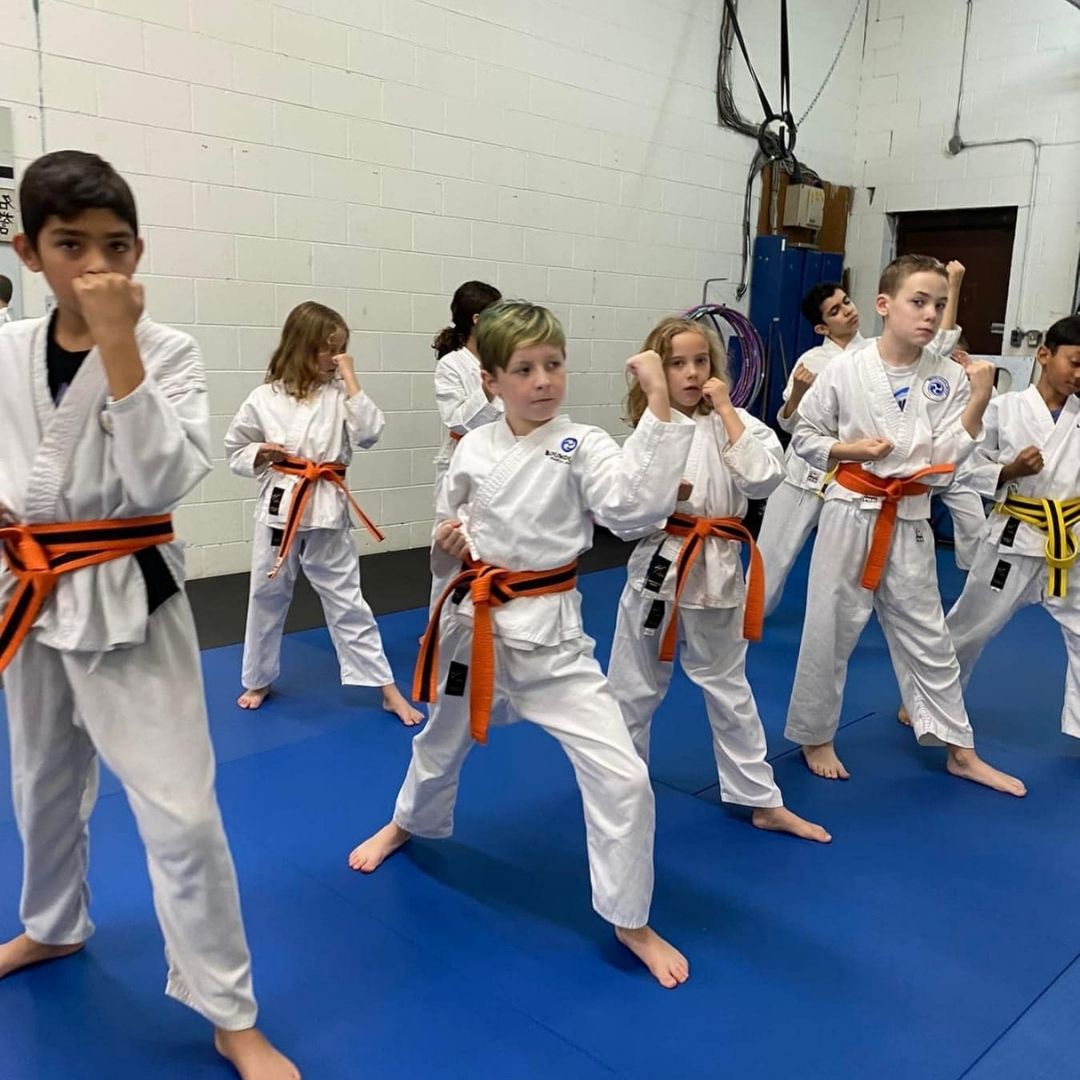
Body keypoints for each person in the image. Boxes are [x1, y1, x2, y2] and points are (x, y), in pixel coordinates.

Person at [0, 149, 299, 1079]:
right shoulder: (5, 350)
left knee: (180, 812)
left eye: (115, 246)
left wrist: (118, 343)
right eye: (70, 244)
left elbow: (164, 478)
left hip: (131, 594)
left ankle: (228, 1011)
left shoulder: (165, 349)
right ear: (26, 251)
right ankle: (51, 925)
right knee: (41, 782)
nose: (95, 267)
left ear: (140, 251)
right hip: (28, 591)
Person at [347, 300, 697, 989]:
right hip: (474, 633)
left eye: (554, 366)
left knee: (624, 776)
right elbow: (453, 527)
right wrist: (452, 550)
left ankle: (630, 919)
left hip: (553, 644)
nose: (543, 381)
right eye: (525, 370)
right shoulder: (474, 447)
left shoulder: (585, 444)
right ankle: (406, 823)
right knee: (438, 743)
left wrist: (659, 405)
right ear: (492, 382)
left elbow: (630, 511)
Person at [782, 253, 1025, 797]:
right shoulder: (844, 369)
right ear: (884, 305)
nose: (930, 315)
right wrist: (848, 448)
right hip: (850, 510)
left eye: (939, 305)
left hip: (910, 514)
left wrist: (981, 398)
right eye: (918, 302)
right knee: (830, 627)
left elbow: (945, 460)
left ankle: (959, 747)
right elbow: (804, 436)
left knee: (930, 636)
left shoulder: (948, 377)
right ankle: (815, 734)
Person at [606, 317, 830, 843]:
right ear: (657, 373)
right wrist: (667, 497)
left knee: (729, 687)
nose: (690, 373)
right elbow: (624, 515)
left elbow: (763, 479)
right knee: (632, 685)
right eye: (676, 364)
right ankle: (620, 784)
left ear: (715, 368)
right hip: (661, 564)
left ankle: (758, 797)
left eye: (700, 361)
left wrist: (727, 409)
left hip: (718, 566)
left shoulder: (741, 422)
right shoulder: (649, 431)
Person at [225, 300, 422, 725]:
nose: (334, 359)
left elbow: (370, 433)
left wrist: (351, 376)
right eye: (327, 350)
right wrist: (261, 451)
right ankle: (258, 678)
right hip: (281, 507)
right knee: (266, 595)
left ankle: (386, 689)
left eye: (342, 350)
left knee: (348, 600)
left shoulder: (343, 396)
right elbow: (234, 448)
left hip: (328, 509)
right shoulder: (264, 398)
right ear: (301, 347)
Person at [943, 315, 1080, 742]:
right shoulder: (1004, 409)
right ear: (1044, 355)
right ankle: (929, 701)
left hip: (1070, 544)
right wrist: (1009, 470)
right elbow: (962, 466)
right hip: (1014, 538)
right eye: (1074, 362)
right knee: (969, 625)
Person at [756, 281, 864, 615]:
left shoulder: (877, 355)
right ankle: (749, 614)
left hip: (855, 473)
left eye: (846, 302)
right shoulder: (812, 361)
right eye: (835, 310)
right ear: (821, 327)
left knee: (848, 560)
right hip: (806, 469)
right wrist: (801, 393)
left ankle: (842, 619)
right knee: (773, 549)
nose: (847, 310)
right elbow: (788, 424)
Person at [428, 280, 503, 613]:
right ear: (477, 319)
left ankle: (483, 618)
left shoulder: (501, 358)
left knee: (492, 547)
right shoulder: (452, 365)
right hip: (459, 464)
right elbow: (456, 419)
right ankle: (440, 625)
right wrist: (487, 391)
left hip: (499, 463)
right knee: (452, 547)